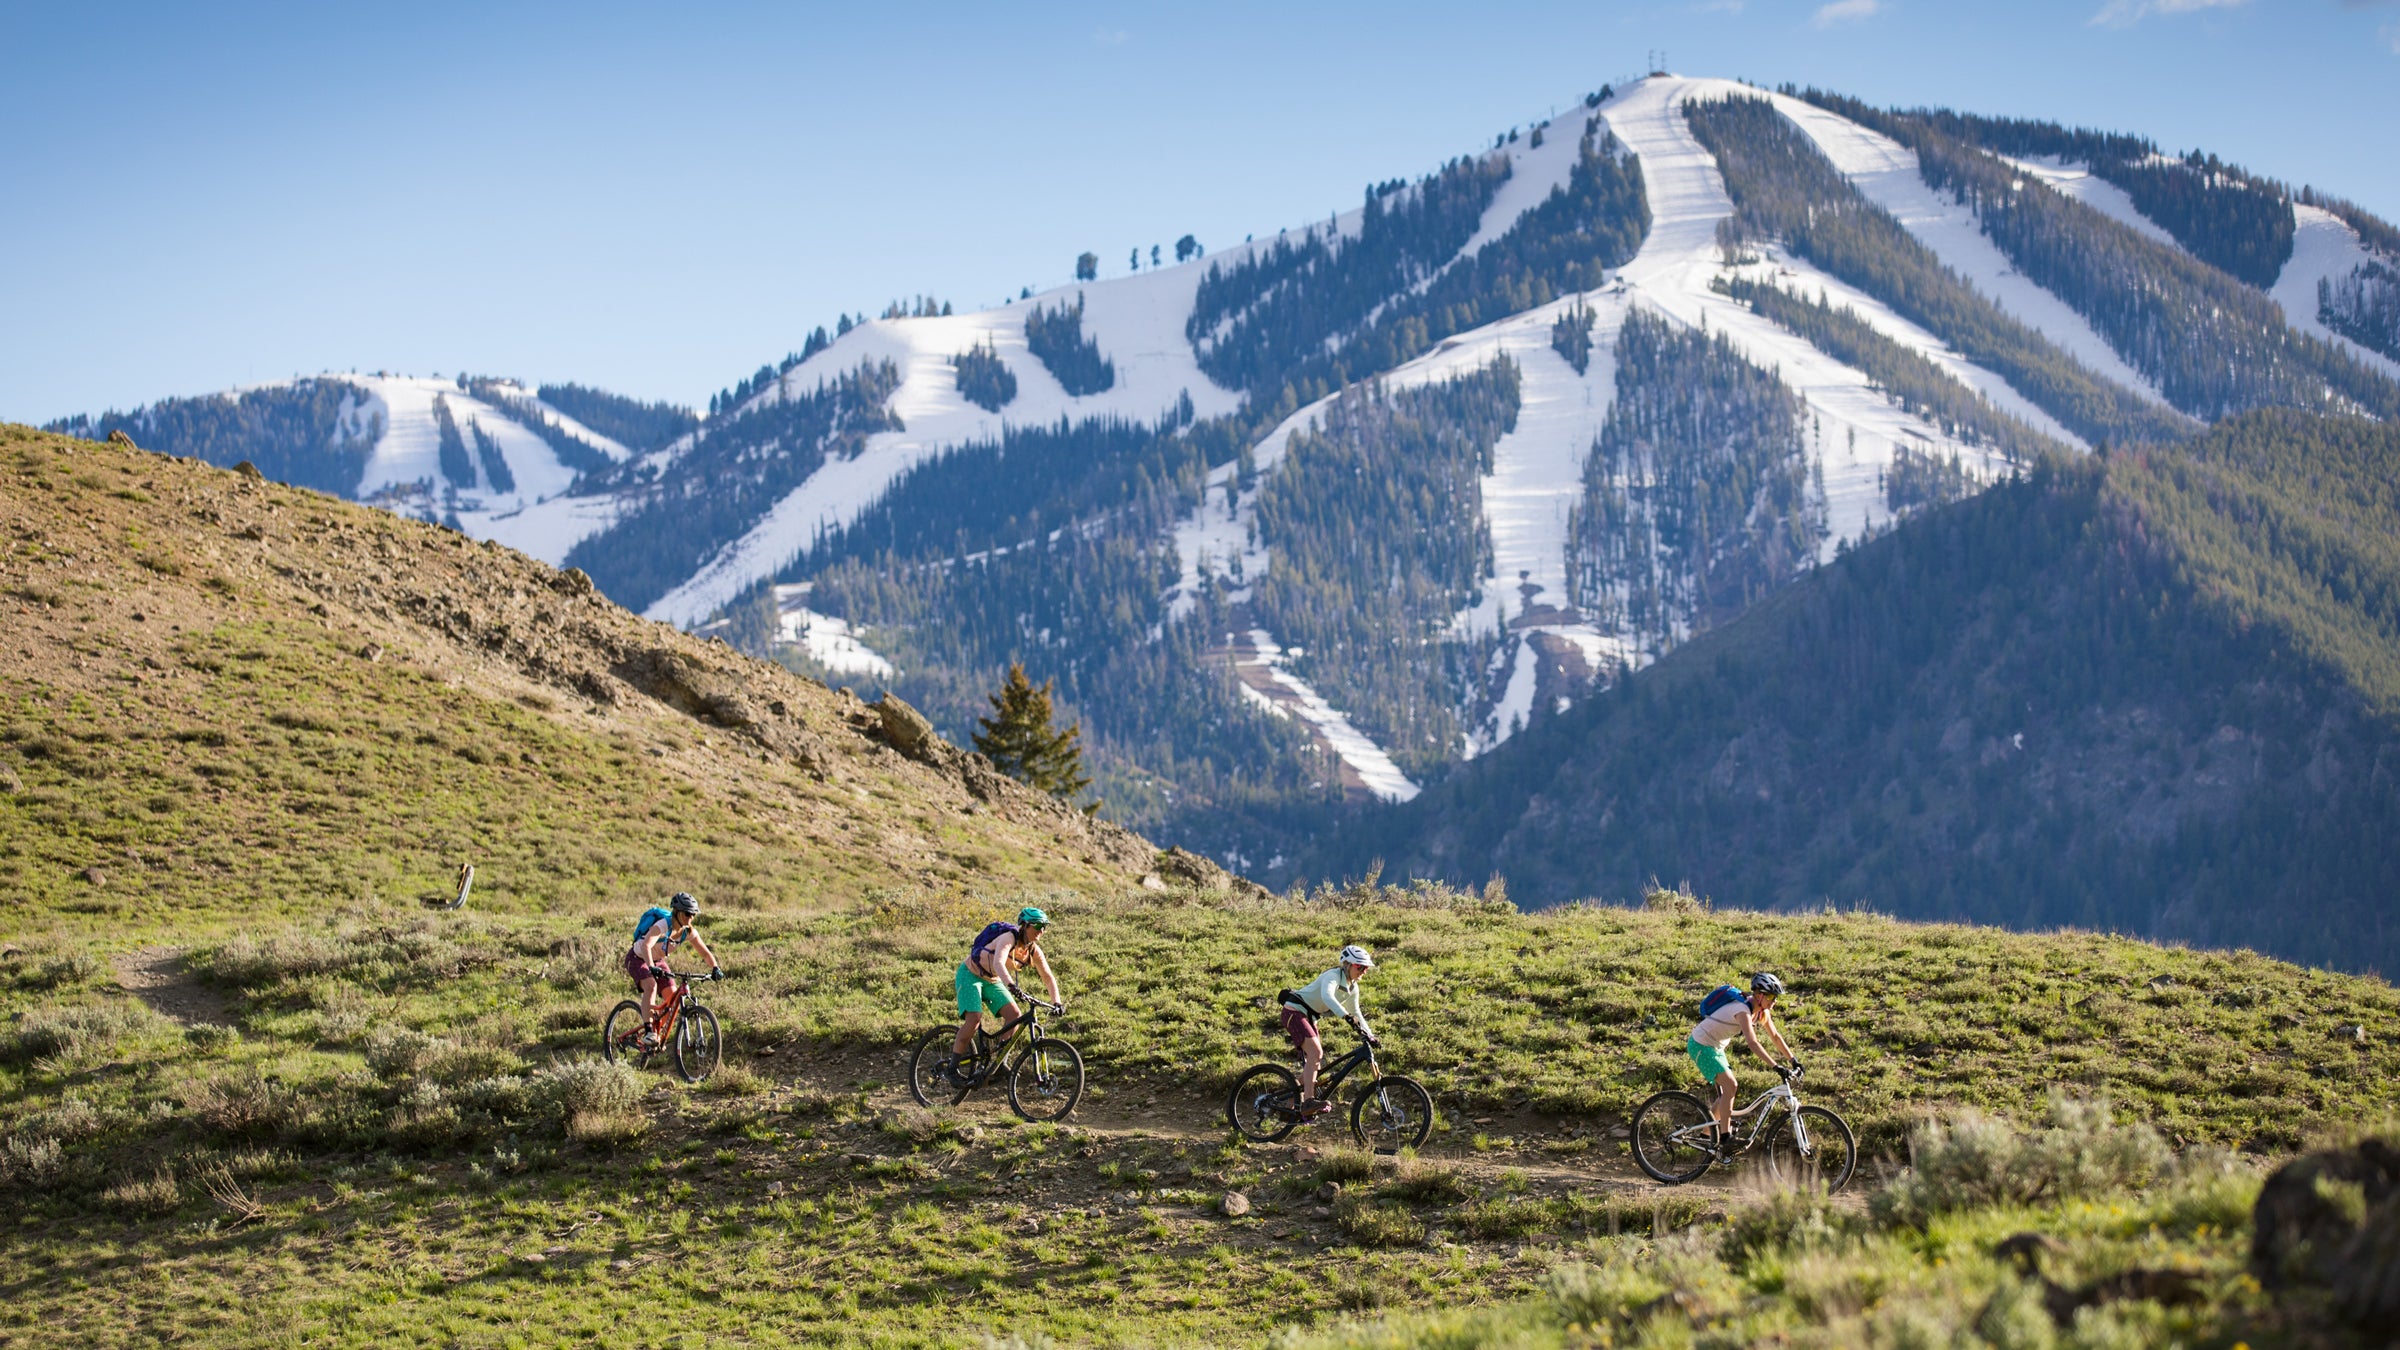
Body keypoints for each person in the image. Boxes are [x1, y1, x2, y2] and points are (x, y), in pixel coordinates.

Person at [1688, 971, 1798, 1156]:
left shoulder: (1762, 1012)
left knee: (1727, 1092)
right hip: (1701, 1044)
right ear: (1759, 995)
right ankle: (1725, 1138)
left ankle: (1707, 1138)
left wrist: (1794, 1060)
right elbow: (1753, 1043)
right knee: (1731, 1085)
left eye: (1775, 997)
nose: (1774, 1001)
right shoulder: (1742, 1011)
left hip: (1716, 1047)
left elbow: (1775, 1037)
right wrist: (1775, 1066)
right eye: (1771, 996)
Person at [947, 906, 1062, 1079]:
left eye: (1044, 927)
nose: (1041, 931)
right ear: (1025, 925)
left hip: (992, 980)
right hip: (970, 975)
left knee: (1015, 1014)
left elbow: (1047, 976)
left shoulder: (1033, 950)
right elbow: (998, 963)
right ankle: (952, 1069)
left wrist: (1057, 1002)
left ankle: (1000, 1062)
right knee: (974, 1019)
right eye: (1038, 926)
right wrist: (1011, 985)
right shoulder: (1008, 938)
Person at [1279, 945, 1377, 1118]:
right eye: (1360, 966)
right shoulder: (1332, 976)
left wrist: (1370, 1035)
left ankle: (1288, 1103)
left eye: (1366, 968)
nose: (1364, 971)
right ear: (1347, 964)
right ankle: (1308, 1101)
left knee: (1315, 1061)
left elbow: (1356, 1012)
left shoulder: (1352, 988)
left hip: (1310, 1016)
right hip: (1294, 1011)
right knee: (1315, 1053)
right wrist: (1345, 1016)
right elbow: (1327, 997)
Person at [626, 892, 719, 1047]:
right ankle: (649, 1032)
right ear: (677, 912)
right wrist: (651, 967)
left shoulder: (689, 932)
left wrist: (715, 967)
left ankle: (656, 1031)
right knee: (651, 985)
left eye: (693, 915)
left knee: (673, 998)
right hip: (638, 958)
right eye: (687, 914)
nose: (690, 918)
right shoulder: (663, 925)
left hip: (657, 960)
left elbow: (705, 953)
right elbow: (646, 945)